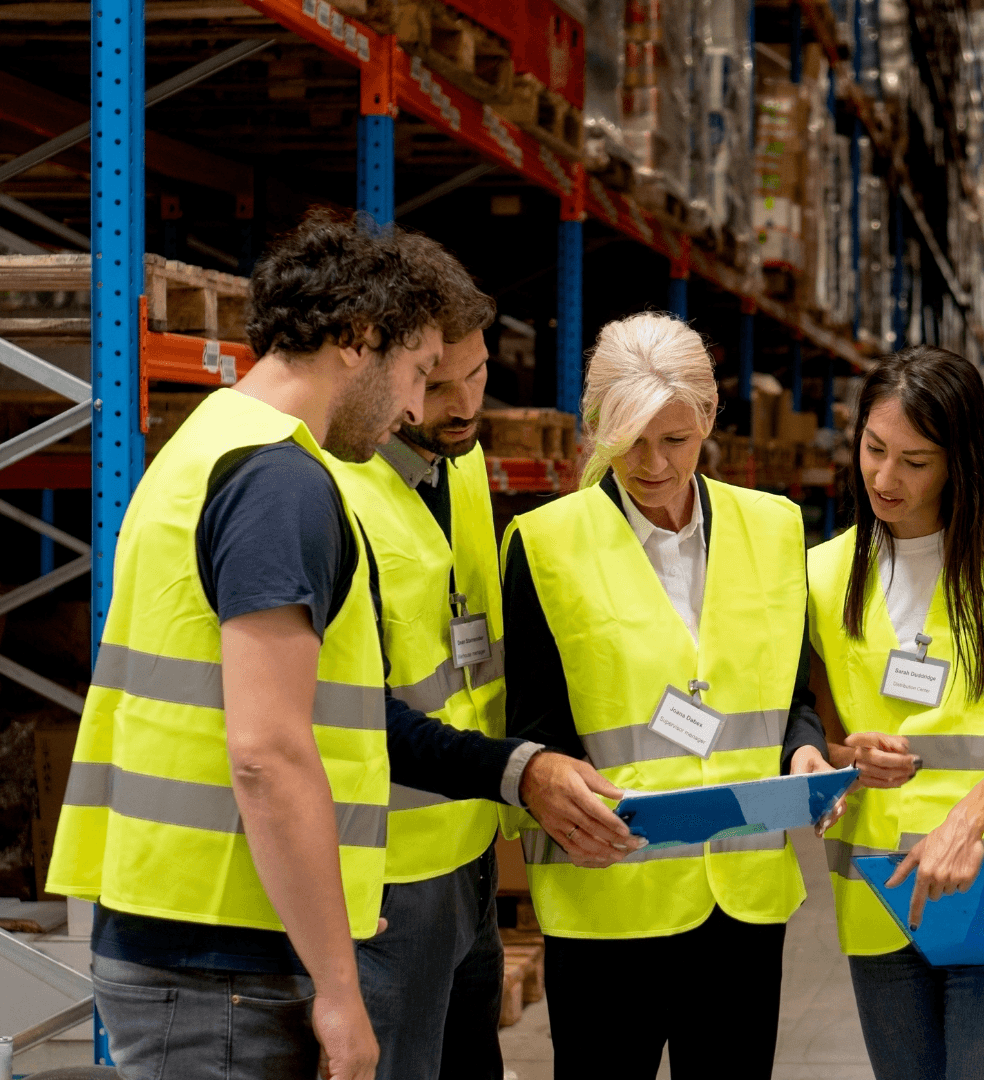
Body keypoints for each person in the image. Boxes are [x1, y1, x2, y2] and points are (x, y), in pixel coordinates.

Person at [47, 212, 634, 1080]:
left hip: (198, 930)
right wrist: (338, 988)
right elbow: (269, 754)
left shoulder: (214, 438)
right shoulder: (282, 484)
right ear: (359, 340)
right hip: (223, 956)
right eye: (418, 372)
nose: (413, 406)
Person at [501, 311, 841, 1080]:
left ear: (710, 421)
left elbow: (790, 698)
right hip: (609, 899)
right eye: (628, 442)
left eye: (675, 440)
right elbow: (534, 727)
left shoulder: (774, 528)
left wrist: (805, 748)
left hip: (743, 902)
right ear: (595, 426)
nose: (652, 464)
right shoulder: (545, 543)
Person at [807, 345, 984, 1080]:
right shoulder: (824, 572)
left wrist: (963, 827)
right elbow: (826, 739)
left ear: (960, 459)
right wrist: (844, 762)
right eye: (873, 449)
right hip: (881, 894)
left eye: (915, 461)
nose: (884, 478)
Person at [327, 254, 531, 1079]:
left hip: (470, 844)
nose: (460, 406)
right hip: (387, 870)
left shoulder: (466, 462)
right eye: (437, 385)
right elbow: (348, 705)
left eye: (477, 376)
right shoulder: (338, 483)